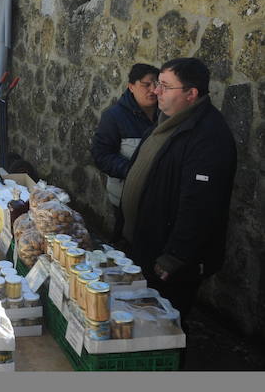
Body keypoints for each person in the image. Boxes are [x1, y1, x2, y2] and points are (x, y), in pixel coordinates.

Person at [120, 58, 237, 325]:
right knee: (143, 320)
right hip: (148, 247)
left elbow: (200, 205)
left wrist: (175, 256)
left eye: (164, 86)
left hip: (170, 262)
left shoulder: (208, 137)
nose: (156, 92)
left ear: (190, 93)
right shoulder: (169, 121)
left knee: (165, 325)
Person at [91, 63, 159, 236]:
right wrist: (133, 172)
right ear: (131, 86)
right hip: (125, 197)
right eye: (146, 84)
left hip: (157, 199)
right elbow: (101, 155)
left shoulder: (165, 115)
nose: (153, 89)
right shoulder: (114, 116)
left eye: (157, 84)